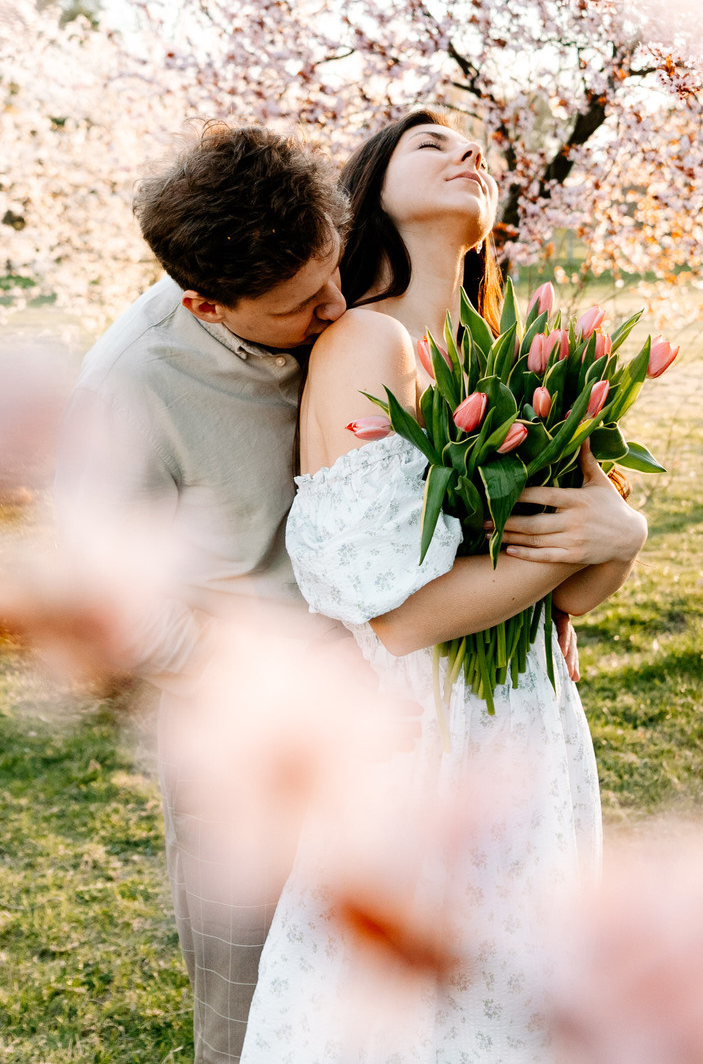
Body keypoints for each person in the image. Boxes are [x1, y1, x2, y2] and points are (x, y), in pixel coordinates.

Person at [64, 124, 632, 1064]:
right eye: (302, 302)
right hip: (248, 735)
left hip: (411, 716)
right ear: (208, 303)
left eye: (333, 272)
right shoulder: (127, 387)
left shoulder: (380, 327)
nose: (331, 306)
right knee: (269, 1011)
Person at [241, 110, 648, 1063]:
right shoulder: (365, 347)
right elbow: (402, 616)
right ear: (373, 190)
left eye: (478, 149)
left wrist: (625, 536)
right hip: (426, 741)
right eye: (433, 144)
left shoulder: (513, 355)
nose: (470, 153)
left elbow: (573, 597)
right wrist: (571, 551)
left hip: (532, 726)